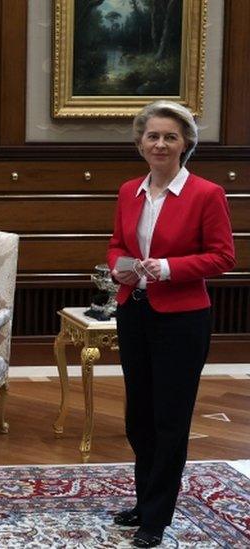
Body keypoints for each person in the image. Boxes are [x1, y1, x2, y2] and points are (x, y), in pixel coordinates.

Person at [108, 100, 235, 548]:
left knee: (169, 420)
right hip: (135, 311)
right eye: (152, 136)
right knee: (138, 418)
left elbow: (223, 257)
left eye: (170, 137)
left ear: (185, 144)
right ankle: (146, 501)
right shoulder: (128, 191)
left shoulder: (206, 193)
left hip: (182, 320)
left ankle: (156, 518)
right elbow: (118, 244)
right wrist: (119, 266)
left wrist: (166, 268)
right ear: (140, 144)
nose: (160, 143)